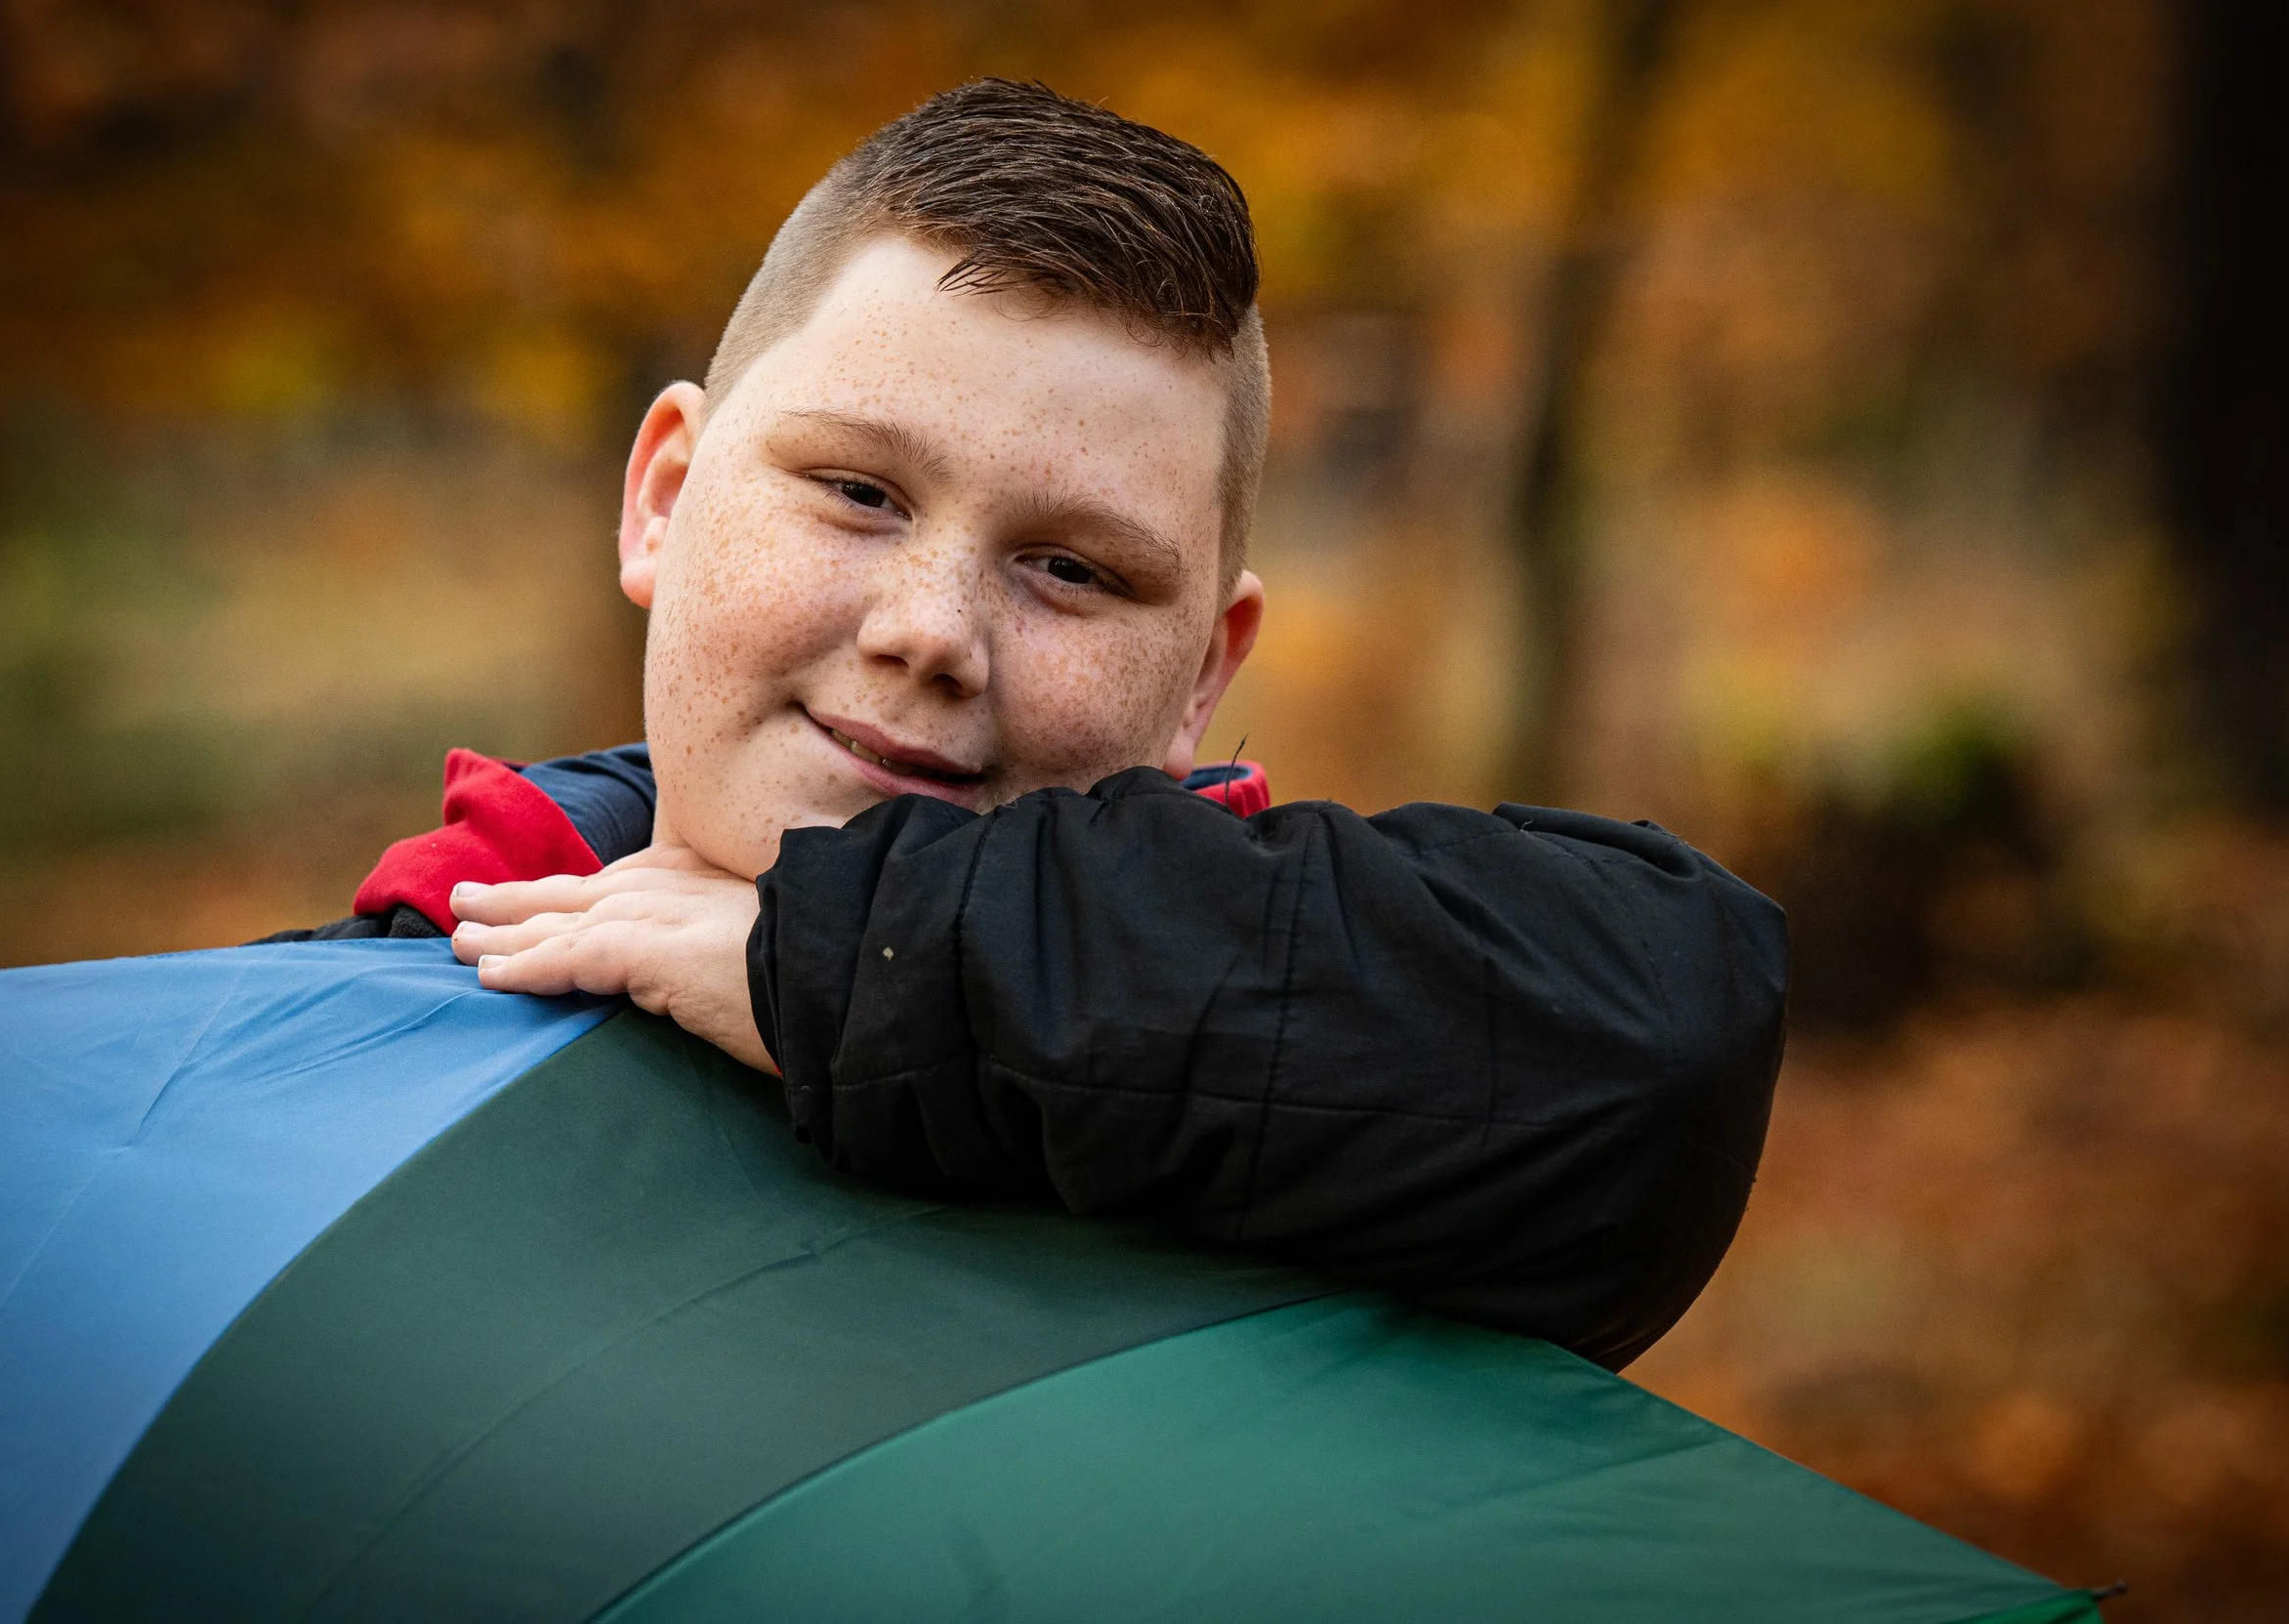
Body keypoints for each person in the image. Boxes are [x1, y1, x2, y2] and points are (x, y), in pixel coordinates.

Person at [271, 79, 1787, 1372]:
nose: (930, 630)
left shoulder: (1331, 1062)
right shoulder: (373, 1018)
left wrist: (841, 969)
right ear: (665, 495)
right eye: (859, 491)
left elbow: (1663, 1051)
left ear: (1205, 673)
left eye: (1071, 568)